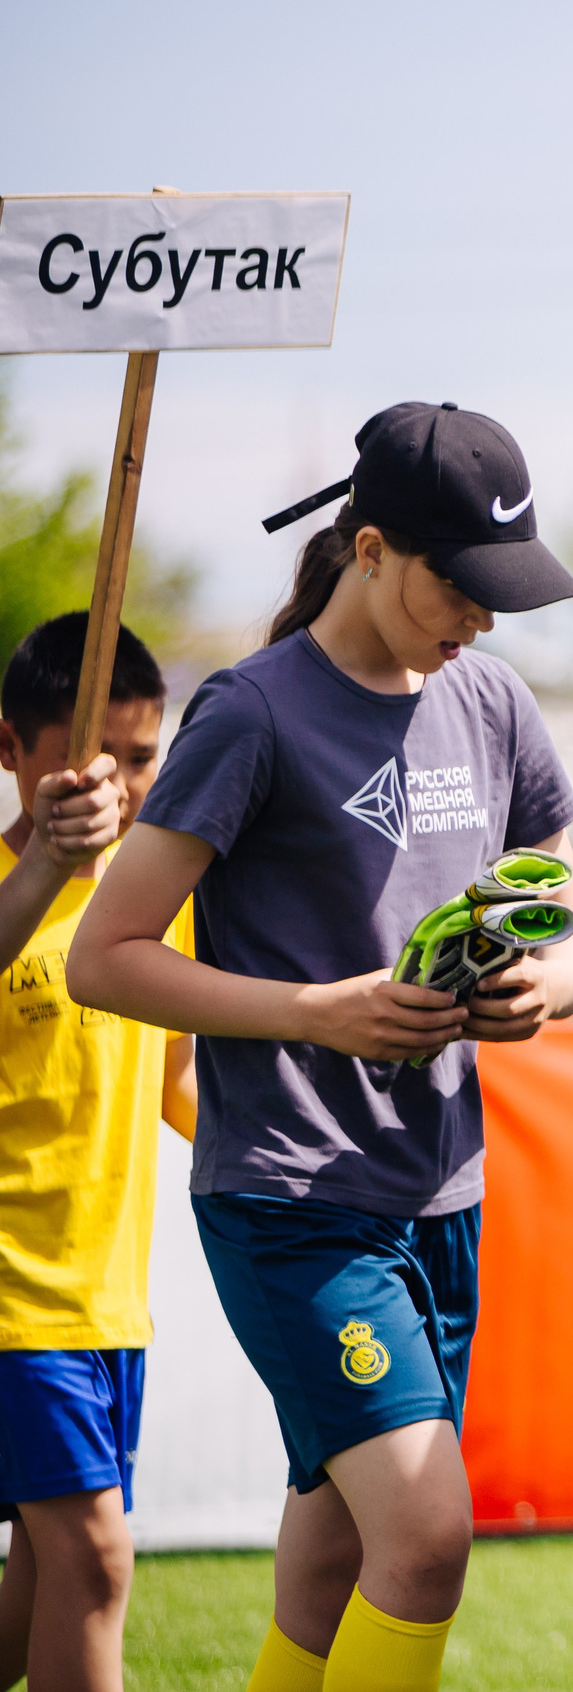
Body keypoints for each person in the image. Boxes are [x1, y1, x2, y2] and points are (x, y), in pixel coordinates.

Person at [65, 402, 573, 1692]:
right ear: (368, 549)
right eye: (460, 586)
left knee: (335, 1558)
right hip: (291, 1196)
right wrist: (317, 1011)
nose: (482, 619)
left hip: (441, 1187)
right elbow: (105, 955)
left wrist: (541, 988)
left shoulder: (494, 698)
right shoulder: (250, 711)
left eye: (501, 592)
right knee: (427, 1538)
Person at [0, 615, 193, 1692]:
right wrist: (46, 864)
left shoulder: (156, 901)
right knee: (95, 1557)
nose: (115, 782)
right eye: (91, 755)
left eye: (140, 754)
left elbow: (180, 1085)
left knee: (40, 1588)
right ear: (9, 748)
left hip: (111, 1303)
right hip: (14, 1301)